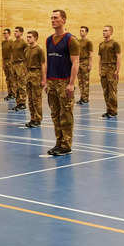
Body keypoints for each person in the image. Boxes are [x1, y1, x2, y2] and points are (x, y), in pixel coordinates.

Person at [45, 10, 80, 156]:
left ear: (64, 20)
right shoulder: (48, 40)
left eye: (56, 18)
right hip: (52, 82)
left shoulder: (71, 40)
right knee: (55, 114)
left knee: (65, 114)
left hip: (64, 82)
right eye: (51, 18)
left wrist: (71, 83)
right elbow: (48, 61)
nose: (53, 20)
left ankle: (66, 144)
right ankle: (58, 142)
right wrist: (46, 80)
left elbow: (75, 62)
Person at [24, 31, 46, 128]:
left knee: (36, 99)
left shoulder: (39, 49)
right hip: (28, 75)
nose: (28, 39)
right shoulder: (26, 49)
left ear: (35, 38)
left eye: (30, 37)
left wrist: (44, 79)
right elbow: (25, 63)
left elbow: (43, 64)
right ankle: (32, 118)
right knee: (30, 99)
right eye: (27, 37)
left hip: (36, 74)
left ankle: (38, 119)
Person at [98, 26, 121, 118]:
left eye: (106, 31)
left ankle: (113, 111)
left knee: (112, 91)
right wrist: (99, 69)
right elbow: (99, 58)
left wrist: (117, 70)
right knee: (105, 91)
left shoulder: (115, 43)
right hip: (104, 68)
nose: (104, 32)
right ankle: (108, 110)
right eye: (103, 30)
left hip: (112, 68)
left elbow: (119, 57)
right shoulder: (101, 44)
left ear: (111, 32)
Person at [11, 26, 28, 111]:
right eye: (14, 31)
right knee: (15, 84)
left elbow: (27, 55)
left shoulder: (24, 43)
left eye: (17, 31)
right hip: (14, 65)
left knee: (21, 84)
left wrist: (25, 66)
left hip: (21, 64)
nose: (15, 33)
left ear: (21, 33)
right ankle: (18, 102)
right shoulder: (13, 43)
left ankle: (22, 102)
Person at [77, 26, 94, 105]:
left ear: (86, 32)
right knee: (80, 81)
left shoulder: (88, 42)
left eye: (83, 31)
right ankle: (82, 97)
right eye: (80, 31)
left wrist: (90, 64)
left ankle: (85, 98)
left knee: (85, 81)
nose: (81, 32)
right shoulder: (77, 41)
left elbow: (91, 54)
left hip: (85, 61)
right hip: (78, 62)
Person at [1, 28, 14, 100]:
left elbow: (13, 53)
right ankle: (10, 93)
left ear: (9, 34)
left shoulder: (11, 42)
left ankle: (14, 93)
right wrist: (3, 63)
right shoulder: (3, 42)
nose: (4, 35)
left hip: (10, 61)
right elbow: (3, 54)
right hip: (5, 61)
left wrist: (11, 63)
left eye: (6, 33)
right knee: (7, 79)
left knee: (12, 78)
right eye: (4, 33)